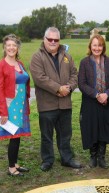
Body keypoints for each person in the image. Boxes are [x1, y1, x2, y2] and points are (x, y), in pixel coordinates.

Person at [30, 27, 81, 172]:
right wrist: (58, 88)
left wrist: (69, 88)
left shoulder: (67, 56)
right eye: (50, 39)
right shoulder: (37, 57)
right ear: (44, 39)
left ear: (59, 41)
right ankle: (47, 160)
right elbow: (40, 78)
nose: (53, 42)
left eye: (56, 40)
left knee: (65, 134)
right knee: (47, 135)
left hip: (65, 104)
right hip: (47, 105)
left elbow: (74, 74)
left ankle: (67, 158)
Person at [0, 34, 31, 177]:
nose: (11, 48)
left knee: (18, 136)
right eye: (8, 45)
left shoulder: (20, 64)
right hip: (11, 105)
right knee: (14, 136)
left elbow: (24, 82)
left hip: (21, 103)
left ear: (17, 47)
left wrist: (26, 102)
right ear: (4, 47)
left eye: (14, 45)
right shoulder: (0, 65)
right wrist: (3, 111)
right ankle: (11, 168)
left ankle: (15, 163)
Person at [78, 34, 109, 169]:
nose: (97, 48)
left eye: (100, 45)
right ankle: (93, 156)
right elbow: (81, 84)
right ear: (90, 46)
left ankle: (101, 157)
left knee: (104, 128)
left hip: (106, 102)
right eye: (94, 45)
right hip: (90, 102)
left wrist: (106, 94)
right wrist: (96, 94)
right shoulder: (84, 62)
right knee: (92, 128)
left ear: (103, 47)